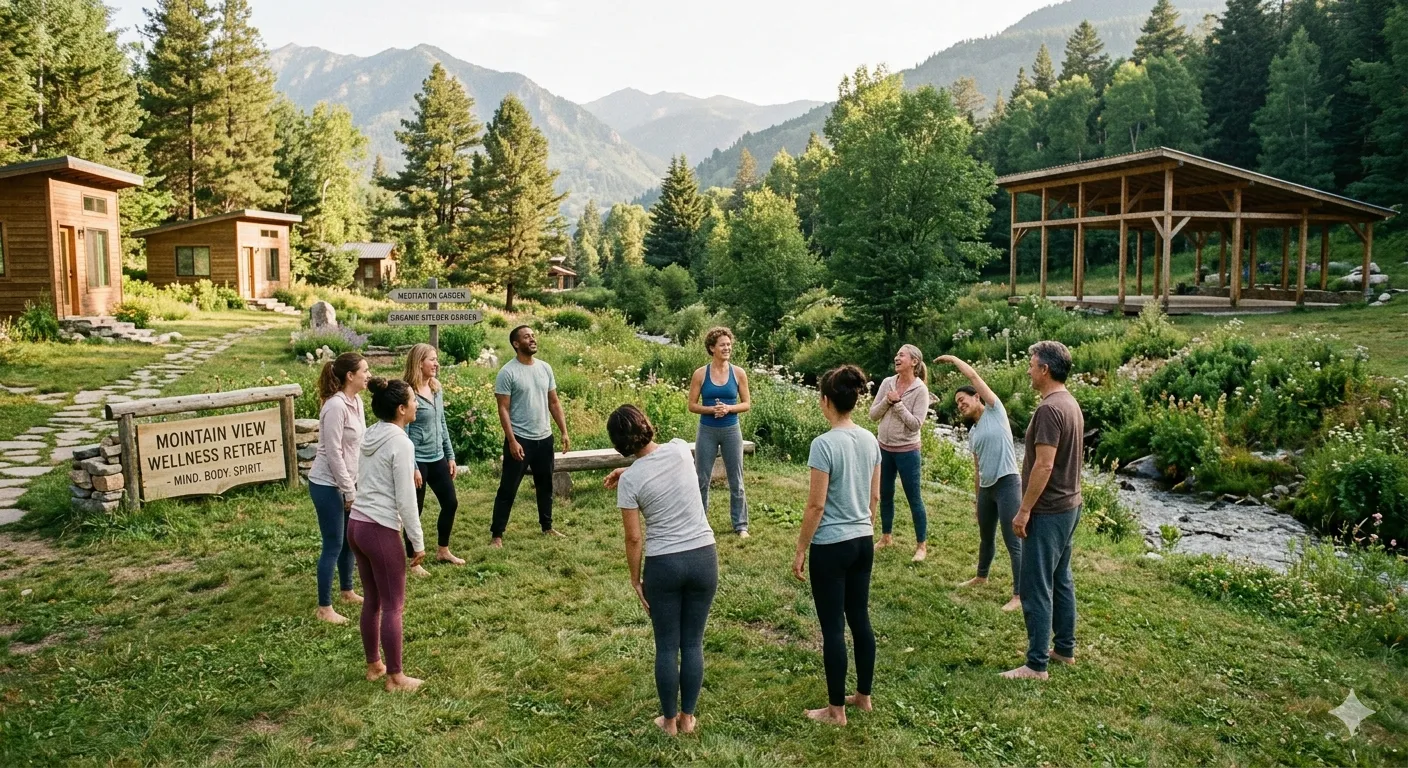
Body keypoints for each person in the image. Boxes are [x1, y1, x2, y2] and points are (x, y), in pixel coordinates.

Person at [603, 405, 718, 737]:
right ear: (647, 424)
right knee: (693, 642)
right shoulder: (681, 450)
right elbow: (661, 468)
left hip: (664, 566)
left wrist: (635, 579)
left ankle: (668, 722)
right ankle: (688, 718)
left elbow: (634, 537)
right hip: (703, 558)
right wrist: (629, 472)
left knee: (667, 645)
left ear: (618, 444)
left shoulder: (631, 482)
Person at [792, 365, 881, 727]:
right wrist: (865, 523)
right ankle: (863, 697)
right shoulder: (870, 439)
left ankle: (835, 711)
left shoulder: (824, 444)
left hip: (832, 546)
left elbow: (816, 505)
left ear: (826, 400)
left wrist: (801, 548)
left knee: (832, 627)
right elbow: (874, 496)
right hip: (863, 541)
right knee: (859, 618)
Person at [1002, 341, 1084, 681]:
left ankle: (1037, 664)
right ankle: (1064, 649)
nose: (1028, 370)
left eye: (1032, 364)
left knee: (1036, 586)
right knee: (1061, 578)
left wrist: (1023, 510)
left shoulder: (1049, 410)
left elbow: (1045, 465)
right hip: (1070, 505)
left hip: (1050, 510)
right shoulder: (1070, 402)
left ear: (1045, 370)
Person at [348, 377, 426, 693]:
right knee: (393, 604)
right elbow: (406, 498)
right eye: (413, 400)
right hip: (379, 528)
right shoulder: (401, 443)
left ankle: (374, 665)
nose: (417, 404)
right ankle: (395, 677)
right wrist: (417, 543)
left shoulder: (372, 433)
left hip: (356, 525)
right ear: (401, 408)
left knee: (373, 600)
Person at [935, 355, 1023, 612]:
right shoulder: (973, 433)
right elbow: (977, 468)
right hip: (987, 489)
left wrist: (953, 360)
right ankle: (981, 576)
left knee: (1013, 541)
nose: (960, 405)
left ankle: (1019, 594)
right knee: (986, 537)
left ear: (978, 398)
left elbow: (973, 377)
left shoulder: (996, 412)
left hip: (1008, 484)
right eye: (957, 404)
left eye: (963, 400)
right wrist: (977, 499)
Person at [491, 326, 570, 547]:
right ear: (516, 344)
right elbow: (503, 409)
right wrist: (512, 440)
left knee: (545, 485)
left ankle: (547, 526)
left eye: (533, 335)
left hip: (544, 438)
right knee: (508, 488)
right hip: (520, 440)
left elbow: (553, 402)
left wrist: (563, 431)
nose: (532, 339)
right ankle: (497, 534)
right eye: (527, 337)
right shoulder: (508, 372)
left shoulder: (545, 368)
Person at [307, 352, 368, 624]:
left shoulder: (357, 402)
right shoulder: (335, 406)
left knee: (350, 542)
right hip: (327, 484)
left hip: (348, 482)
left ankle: (347, 591)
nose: (369, 375)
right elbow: (333, 453)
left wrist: (359, 483)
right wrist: (348, 490)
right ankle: (324, 608)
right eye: (364, 371)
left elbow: (359, 446)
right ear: (349, 376)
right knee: (333, 543)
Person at [402, 343, 463, 575]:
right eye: (432, 359)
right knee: (413, 510)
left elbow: (442, 424)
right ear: (419, 363)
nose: (436, 364)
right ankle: (413, 560)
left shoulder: (436, 389)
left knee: (450, 502)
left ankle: (443, 550)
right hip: (417, 460)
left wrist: (450, 455)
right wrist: (413, 467)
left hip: (437, 457)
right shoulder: (408, 392)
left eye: (436, 359)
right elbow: (404, 432)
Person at [868, 344, 932, 562]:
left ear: (914, 362)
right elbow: (873, 415)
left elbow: (916, 425)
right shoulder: (887, 383)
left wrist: (897, 403)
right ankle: (886, 537)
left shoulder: (920, 390)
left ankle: (921, 546)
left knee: (914, 498)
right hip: (883, 448)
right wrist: (888, 400)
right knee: (885, 494)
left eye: (901, 355)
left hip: (907, 452)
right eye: (896, 355)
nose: (896, 358)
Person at [687, 327, 752, 537]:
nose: (727, 348)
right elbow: (692, 405)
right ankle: (699, 524)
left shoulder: (739, 373)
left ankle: (741, 525)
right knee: (701, 479)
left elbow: (747, 404)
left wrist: (729, 408)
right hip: (707, 431)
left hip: (732, 431)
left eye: (729, 344)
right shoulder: (700, 374)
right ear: (712, 348)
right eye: (722, 345)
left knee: (737, 479)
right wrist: (711, 410)